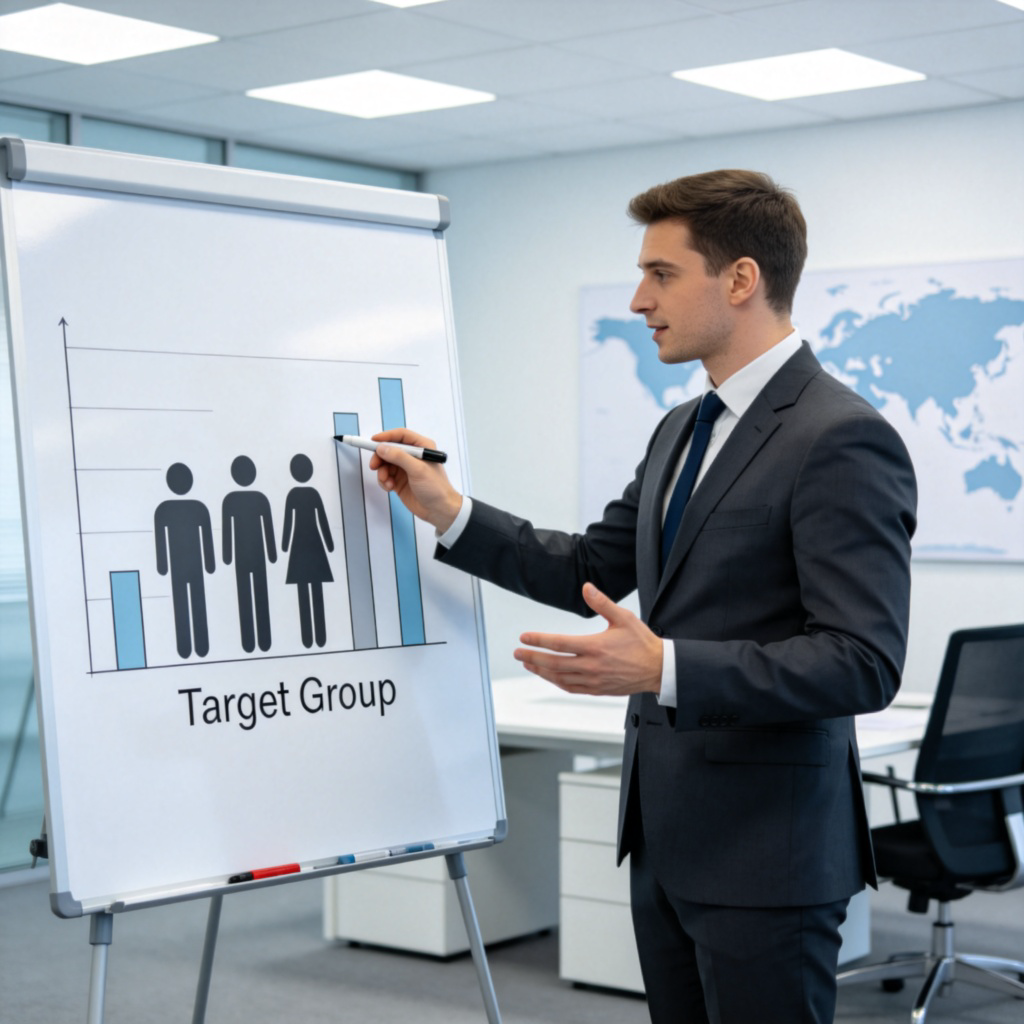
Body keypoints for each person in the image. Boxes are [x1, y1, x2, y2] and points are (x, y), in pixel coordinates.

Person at [368, 169, 917, 1024]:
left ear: (739, 279)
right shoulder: (682, 428)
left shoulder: (840, 436)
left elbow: (862, 663)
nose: (637, 299)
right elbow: (585, 565)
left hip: (770, 854)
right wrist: (449, 509)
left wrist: (665, 666)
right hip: (667, 838)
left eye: (661, 274)